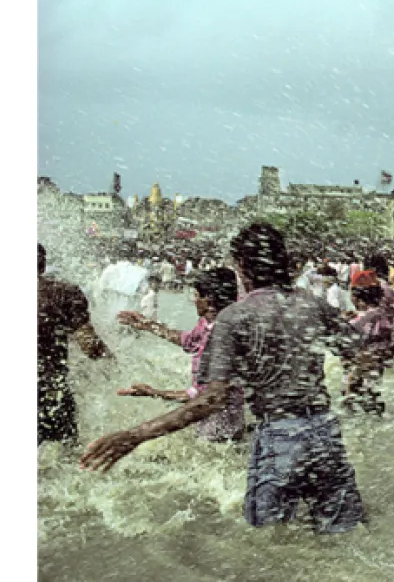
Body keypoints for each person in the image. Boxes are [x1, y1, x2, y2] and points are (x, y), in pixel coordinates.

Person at [80, 223, 369, 535]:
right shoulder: (312, 305)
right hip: (325, 431)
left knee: (270, 542)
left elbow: (212, 398)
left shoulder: (235, 317)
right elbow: (360, 353)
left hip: (280, 435)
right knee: (344, 534)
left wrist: (136, 435)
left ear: (242, 267)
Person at [115, 268, 246, 441]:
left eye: (197, 295)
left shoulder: (221, 337)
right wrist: (148, 326)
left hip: (220, 428)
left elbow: (203, 396)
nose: (193, 300)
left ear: (210, 300)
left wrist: (153, 392)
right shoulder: (207, 323)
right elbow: (189, 341)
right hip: (218, 422)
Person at [38, 244, 112, 445]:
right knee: (64, 458)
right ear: (43, 265)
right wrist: (113, 362)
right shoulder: (63, 292)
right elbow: (89, 345)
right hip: (50, 389)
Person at [345, 270, 394, 415]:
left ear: (357, 297)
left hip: (361, 368)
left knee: (354, 402)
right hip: (376, 367)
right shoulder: (382, 316)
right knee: (372, 396)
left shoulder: (361, 321)